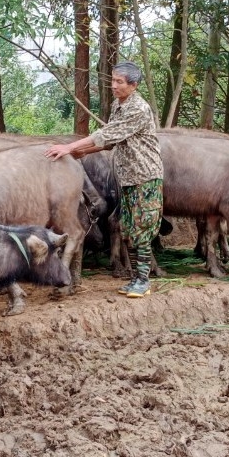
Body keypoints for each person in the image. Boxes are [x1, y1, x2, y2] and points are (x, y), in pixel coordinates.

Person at [45, 61, 163, 297]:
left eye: (119, 82)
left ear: (134, 85)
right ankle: (135, 279)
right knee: (127, 228)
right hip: (126, 177)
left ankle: (143, 281)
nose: (114, 86)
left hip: (145, 177)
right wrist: (84, 152)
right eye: (113, 80)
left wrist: (70, 147)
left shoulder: (138, 109)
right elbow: (111, 141)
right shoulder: (118, 105)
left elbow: (106, 134)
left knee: (141, 229)